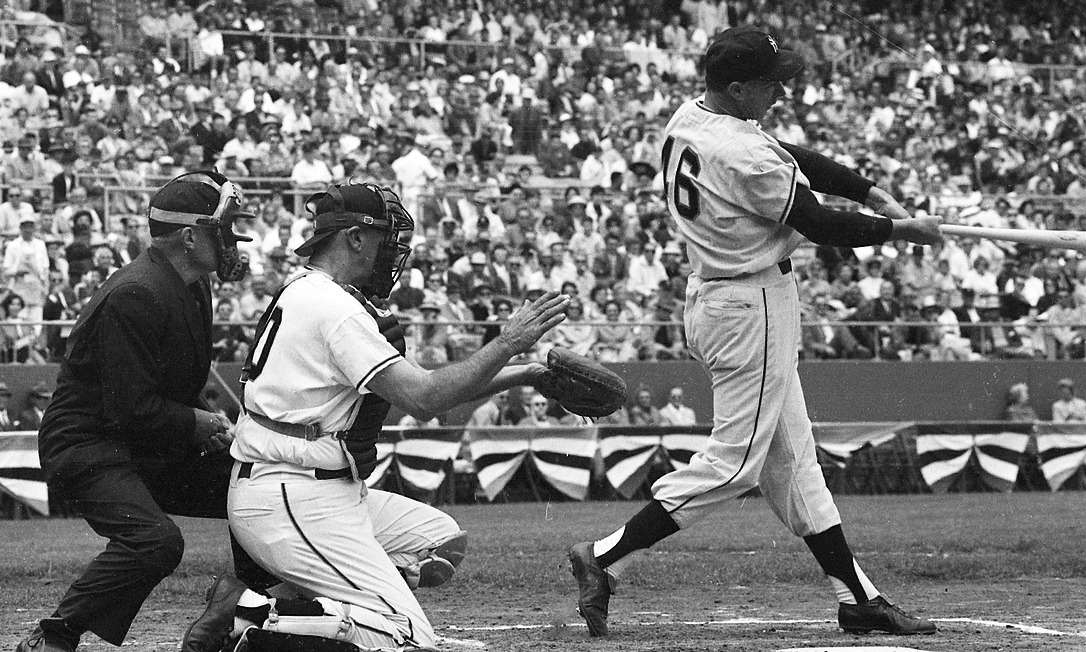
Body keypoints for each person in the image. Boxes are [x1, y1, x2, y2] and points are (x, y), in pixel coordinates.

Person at [567, 28, 941, 639]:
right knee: (735, 464)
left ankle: (858, 597)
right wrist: (901, 231)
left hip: (724, 298)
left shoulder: (693, 117)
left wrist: (873, 191)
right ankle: (604, 556)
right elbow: (816, 221)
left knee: (795, 464)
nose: (781, 91)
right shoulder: (744, 155)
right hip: (752, 305)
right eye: (771, 83)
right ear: (738, 87)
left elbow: (790, 154)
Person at [179, 182, 569, 652]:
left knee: (439, 541)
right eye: (387, 240)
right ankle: (250, 615)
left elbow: (425, 390)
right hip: (293, 492)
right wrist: (508, 343)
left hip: (314, 488)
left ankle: (311, 606)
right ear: (355, 238)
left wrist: (523, 374)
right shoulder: (334, 308)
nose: (393, 254)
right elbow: (424, 399)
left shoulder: (311, 292)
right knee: (406, 639)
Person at [15, 172, 266, 652]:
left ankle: (234, 607)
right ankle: (53, 635)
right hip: (87, 446)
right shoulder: (137, 292)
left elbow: (170, 389)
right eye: (223, 227)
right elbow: (131, 408)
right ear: (190, 237)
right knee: (155, 542)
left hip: (139, 441)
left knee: (255, 486)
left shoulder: (191, 286)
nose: (233, 238)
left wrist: (208, 425)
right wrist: (198, 422)